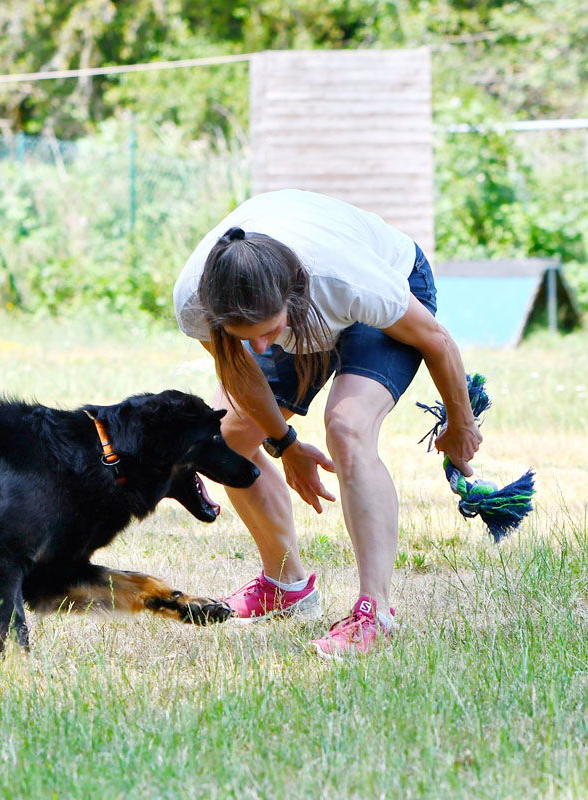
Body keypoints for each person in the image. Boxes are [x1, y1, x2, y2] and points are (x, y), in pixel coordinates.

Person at [173, 189, 482, 657]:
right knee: (225, 443)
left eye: (269, 334)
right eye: (246, 337)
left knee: (347, 427)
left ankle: (374, 611)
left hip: (387, 279)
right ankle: (286, 585)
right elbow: (243, 371)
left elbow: (436, 341)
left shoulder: (349, 281)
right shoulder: (198, 300)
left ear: (293, 297)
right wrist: (286, 443)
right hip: (295, 302)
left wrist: (461, 425)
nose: (260, 348)